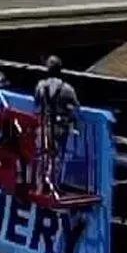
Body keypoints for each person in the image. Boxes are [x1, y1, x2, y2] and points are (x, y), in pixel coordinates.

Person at [33, 55, 79, 194]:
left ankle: (40, 186)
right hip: (59, 127)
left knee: (41, 156)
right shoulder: (67, 89)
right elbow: (76, 107)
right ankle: (54, 186)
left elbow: (36, 103)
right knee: (57, 157)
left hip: (44, 125)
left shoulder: (41, 86)